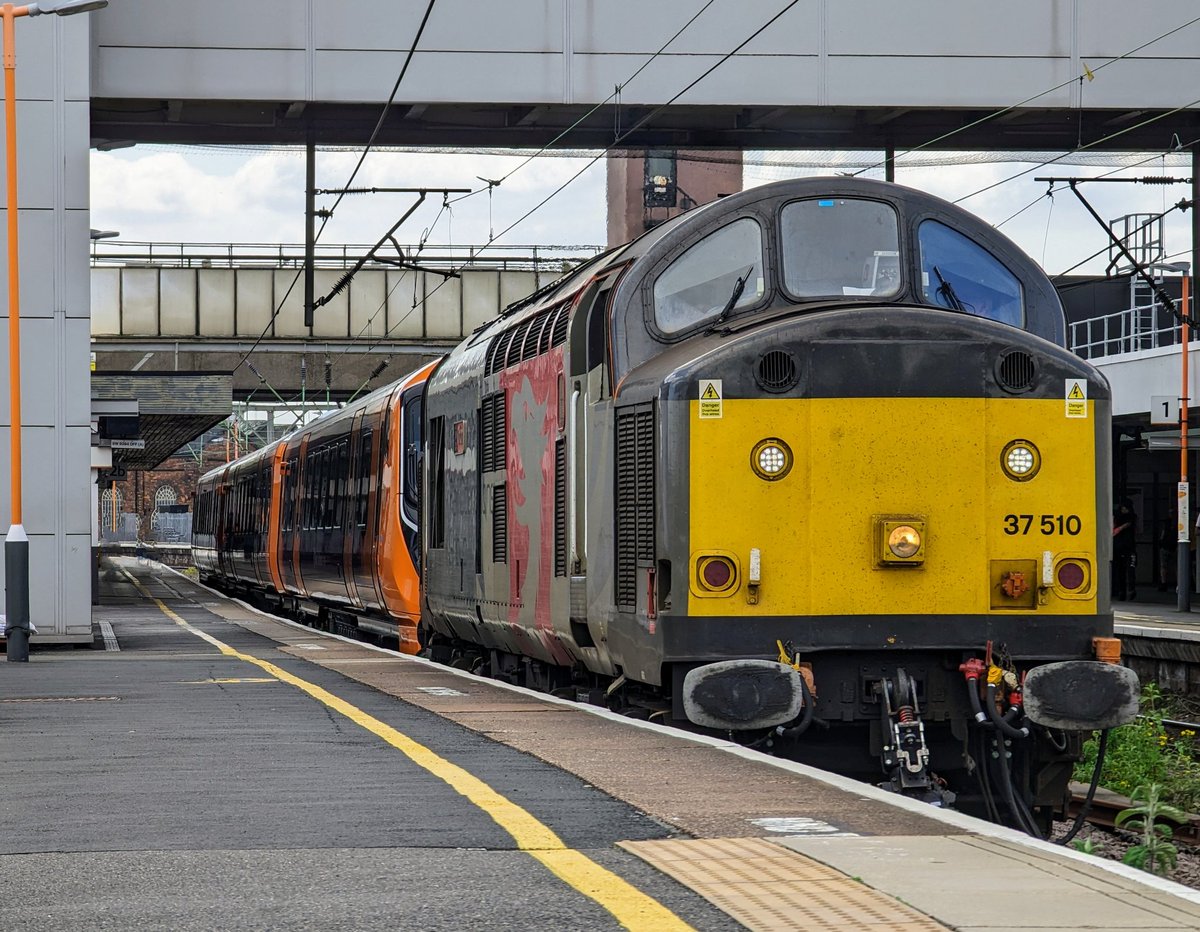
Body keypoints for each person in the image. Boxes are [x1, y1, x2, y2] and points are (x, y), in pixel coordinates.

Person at [1112, 499, 1137, 600]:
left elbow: (1115, 530)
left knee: (1123, 570)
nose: (1124, 510)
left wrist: (1118, 529)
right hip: (1127, 546)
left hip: (1122, 546)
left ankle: (1124, 591)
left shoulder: (1123, 518)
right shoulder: (1131, 518)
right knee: (1127, 570)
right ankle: (1127, 590)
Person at [1159, 520, 1174, 591]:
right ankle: (1178, 584)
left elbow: (1162, 537)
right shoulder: (1175, 525)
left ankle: (1163, 583)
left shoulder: (1166, 527)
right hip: (1171, 547)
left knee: (1164, 566)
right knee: (1176, 566)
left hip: (1166, 547)